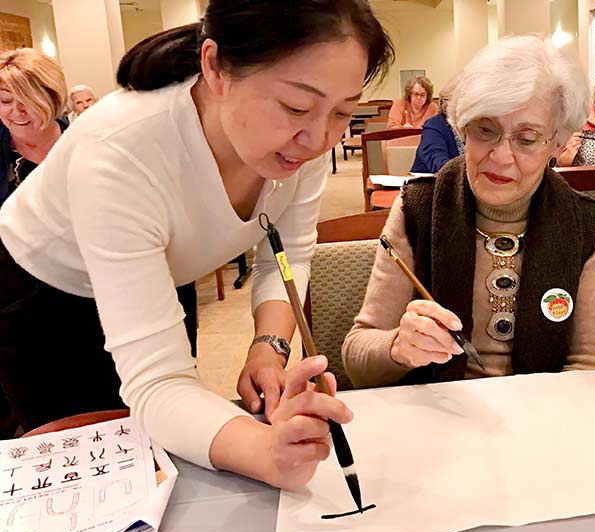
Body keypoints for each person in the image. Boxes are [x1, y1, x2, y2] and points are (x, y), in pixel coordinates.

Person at [0, 0, 393, 489]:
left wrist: (268, 349)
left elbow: (285, 252)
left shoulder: (301, 142)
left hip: (165, 266)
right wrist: (264, 451)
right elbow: (157, 383)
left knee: (175, 453)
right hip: (45, 295)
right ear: (215, 66)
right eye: (295, 106)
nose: (316, 138)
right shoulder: (122, 150)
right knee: (95, 479)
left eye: (342, 112)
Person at [342, 35, 595, 388]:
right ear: (463, 127)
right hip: (439, 416)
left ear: (558, 143)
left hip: (542, 423)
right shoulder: (418, 209)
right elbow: (357, 357)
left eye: (527, 138)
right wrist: (398, 346)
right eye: (485, 131)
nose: (501, 157)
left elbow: (593, 362)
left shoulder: (583, 223)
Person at [0, 48, 69, 207]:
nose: (17, 111)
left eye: (27, 101)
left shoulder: (82, 141)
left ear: (53, 98)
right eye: (6, 101)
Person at [410, 83, 463, 173]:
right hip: (428, 185)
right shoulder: (434, 126)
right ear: (448, 106)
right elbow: (441, 166)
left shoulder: (474, 128)